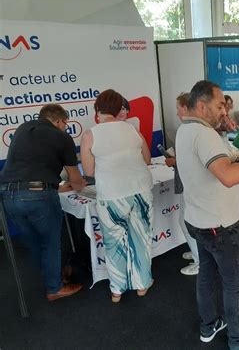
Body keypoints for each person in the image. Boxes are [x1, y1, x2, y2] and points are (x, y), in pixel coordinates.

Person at [176, 80, 239, 349]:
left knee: (207, 275)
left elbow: (217, 166)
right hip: (219, 224)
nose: (224, 110)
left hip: (199, 220)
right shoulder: (204, 135)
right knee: (235, 283)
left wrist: (237, 159)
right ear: (201, 105)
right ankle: (237, 338)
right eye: (220, 105)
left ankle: (208, 326)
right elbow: (228, 178)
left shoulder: (186, 130)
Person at [0, 104, 85, 301]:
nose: (66, 127)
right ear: (58, 121)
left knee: (34, 241)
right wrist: (78, 183)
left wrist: (54, 186)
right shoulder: (62, 137)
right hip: (38, 197)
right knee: (51, 241)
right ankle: (54, 288)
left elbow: (30, 166)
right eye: (66, 123)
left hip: (8, 194)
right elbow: (76, 179)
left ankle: (52, 275)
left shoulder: (23, 129)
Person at [80, 89, 154, 303]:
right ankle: (142, 285)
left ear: (98, 110)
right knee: (141, 238)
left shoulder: (90, 134)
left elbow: (89, 171)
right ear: (119, 109)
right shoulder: (132, 129)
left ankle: (117, 290)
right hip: (140, 190)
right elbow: (147, 159)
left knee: (114, 243)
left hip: (111, 195)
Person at [164, 92, 200, 276]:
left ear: (186, 108)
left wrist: (174, 161)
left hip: (189, 184)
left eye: (178, 108)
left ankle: (199, 260)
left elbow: (188, 160)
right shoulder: (194, 128)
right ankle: (198, 254)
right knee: (186, 220)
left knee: (187, 222)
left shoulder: (187, 130)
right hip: (190, 183)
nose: (177, 113)